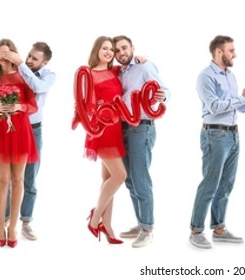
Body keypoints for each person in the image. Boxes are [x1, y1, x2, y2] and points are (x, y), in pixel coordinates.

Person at [188, 35, 245, 249]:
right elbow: (215, 107)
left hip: (233, 135)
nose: (235, 54)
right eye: (231, 50)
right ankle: (195, 230)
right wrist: (241, 98)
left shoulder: (230, 76)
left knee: (227, 183)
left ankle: (219, 228)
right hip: (215, 136)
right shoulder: (205, 77)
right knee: (210, 183)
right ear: (218, 52)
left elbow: (233, 106)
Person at [0, 42, 55, 242]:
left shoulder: (26, 77)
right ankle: (0, 226)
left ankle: (15, 227)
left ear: (15, 54)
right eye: (1, 51)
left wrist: (20, 106)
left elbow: (32, 105)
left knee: (19, 180)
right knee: (2, 180)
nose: (5, 55)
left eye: (9, 51)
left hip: (22, 131)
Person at [113, 35, 169, 248]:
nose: (121, 53)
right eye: (118, 51)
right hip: (123, 127)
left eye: (124, 48)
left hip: (141, 128)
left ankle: (147, 229)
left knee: (140, 177)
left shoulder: (144, 67)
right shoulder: (121, 72)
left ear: (132, 48)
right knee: (128, 179)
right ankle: (140, 222)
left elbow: (165, 90)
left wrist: (163, 97)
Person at [79, 36, 127, 245]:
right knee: (120, 175)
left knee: (109, 180)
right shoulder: (89, 74)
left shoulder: (115, 71)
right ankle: (95, 216)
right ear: (96, 50)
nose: (108, 52)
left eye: (111, 49)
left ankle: (107, 225)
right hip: (102, 130)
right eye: (104, 48)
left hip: (116, 129)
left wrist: (141, 57)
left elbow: (130, 66)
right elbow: (84, 104)